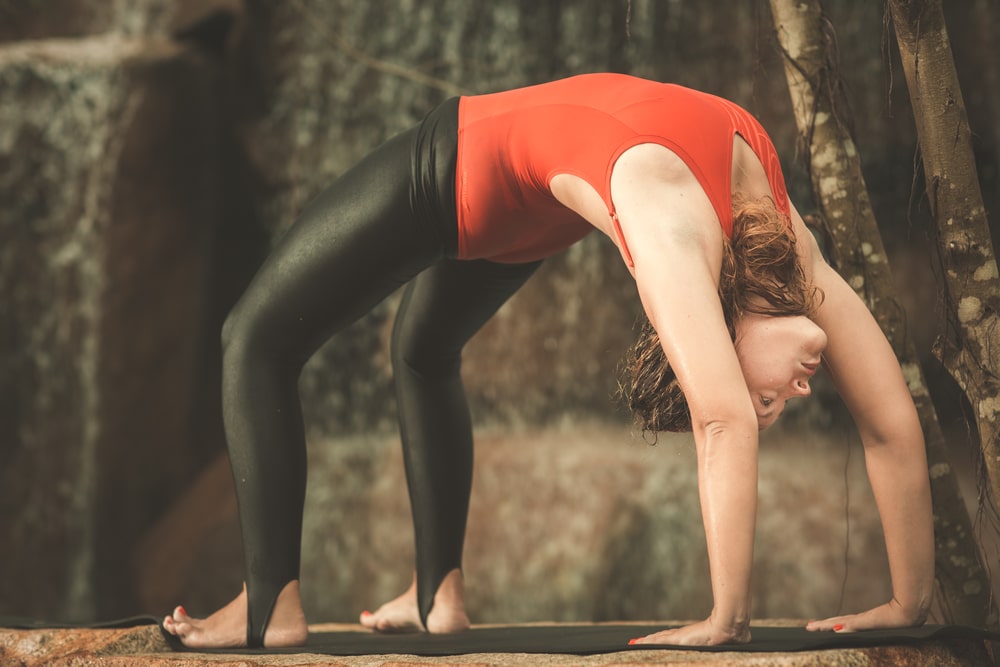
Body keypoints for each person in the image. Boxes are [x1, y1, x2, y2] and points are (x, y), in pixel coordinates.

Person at [161, 73, 934, 649]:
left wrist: (907, 604)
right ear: (726, 329)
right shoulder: (707, 229)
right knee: (272, 339)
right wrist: (725, 620)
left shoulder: (763, 244)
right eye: (779, 395)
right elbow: (724, 417)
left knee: (360, 346)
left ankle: (338, 608)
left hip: (529, 201)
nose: (793, 393)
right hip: (460, 159)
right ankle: (353, 604)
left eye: (778, 399)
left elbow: (888, 420)